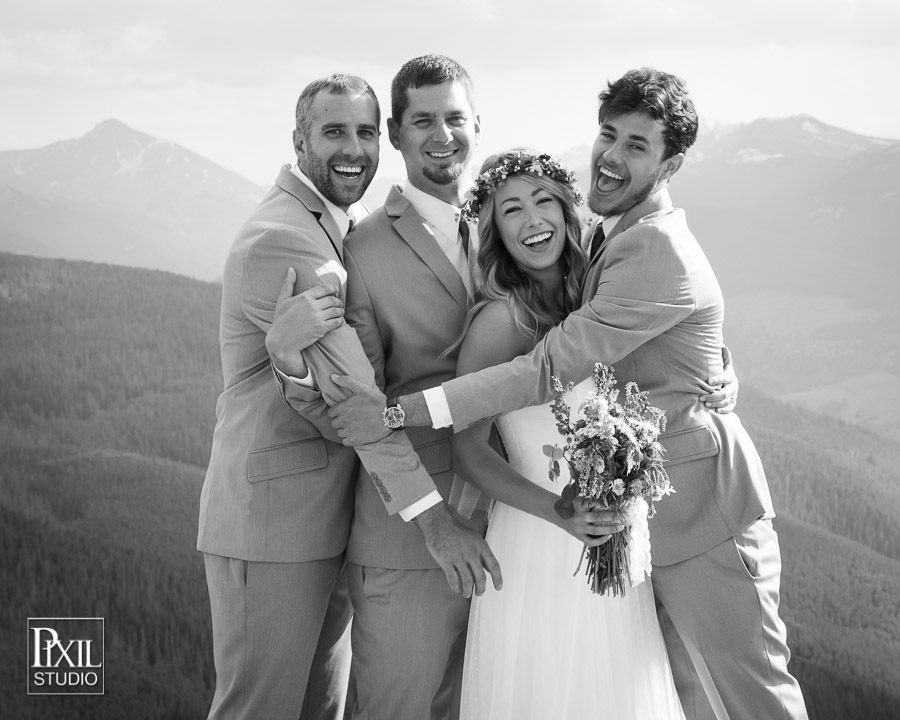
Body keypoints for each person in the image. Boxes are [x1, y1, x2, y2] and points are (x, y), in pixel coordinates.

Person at [328, 68, 808, 720]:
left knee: (729, 697)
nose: (612, 154)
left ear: (671, 162)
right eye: (608, 135)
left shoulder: (623, 250)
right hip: (551, 540)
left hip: (679, 529)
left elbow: (570, 365)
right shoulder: (519, 297)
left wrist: (712, 373)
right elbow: (501, 415)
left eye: (637, 145)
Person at [197, 73, 497, 720]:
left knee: (317, 709)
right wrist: (435, 521)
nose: (354, 149)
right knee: (261, 708)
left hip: (332, 514)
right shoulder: (286, 239)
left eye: (364, 132)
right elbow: (359, 403)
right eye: (334, 132)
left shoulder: (348, 222)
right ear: (299, 138)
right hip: (275, 518)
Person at [451, 148, 687, 719]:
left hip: (614, 537)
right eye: (511, 211)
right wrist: (560, 511)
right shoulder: (500, 321)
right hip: (540, 540)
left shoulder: (596, 296)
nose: (533, 221)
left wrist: (720, 375)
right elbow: (466, 451)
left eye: (542, 202)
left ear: (565, 210)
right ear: (495, 233)